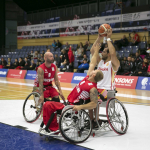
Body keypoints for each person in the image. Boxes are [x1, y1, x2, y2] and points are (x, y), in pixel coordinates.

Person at [39, 43, 103, 135]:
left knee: (48, 105)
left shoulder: (92, 88)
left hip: (71, 107)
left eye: (95, 70)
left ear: (94, 75)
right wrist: (96, 51)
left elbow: (94, 104)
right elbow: (92, 62)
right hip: (68, 103)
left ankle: (53, 127)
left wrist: (80, 107)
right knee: (48, 104)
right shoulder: (87, 78)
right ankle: (50, 125)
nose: (93, 69)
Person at [90, 28, 120, 126]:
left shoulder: (113, 63)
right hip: (98, 88)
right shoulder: (100, 61)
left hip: (108, 90)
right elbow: (92, 50)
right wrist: (99, 38)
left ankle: (96, 119)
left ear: (108, 54)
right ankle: (93, 120)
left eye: (104, 51)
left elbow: (113, 53)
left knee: (95, 97)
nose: (101, 52)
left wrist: (108, 39)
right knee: (88, 95)